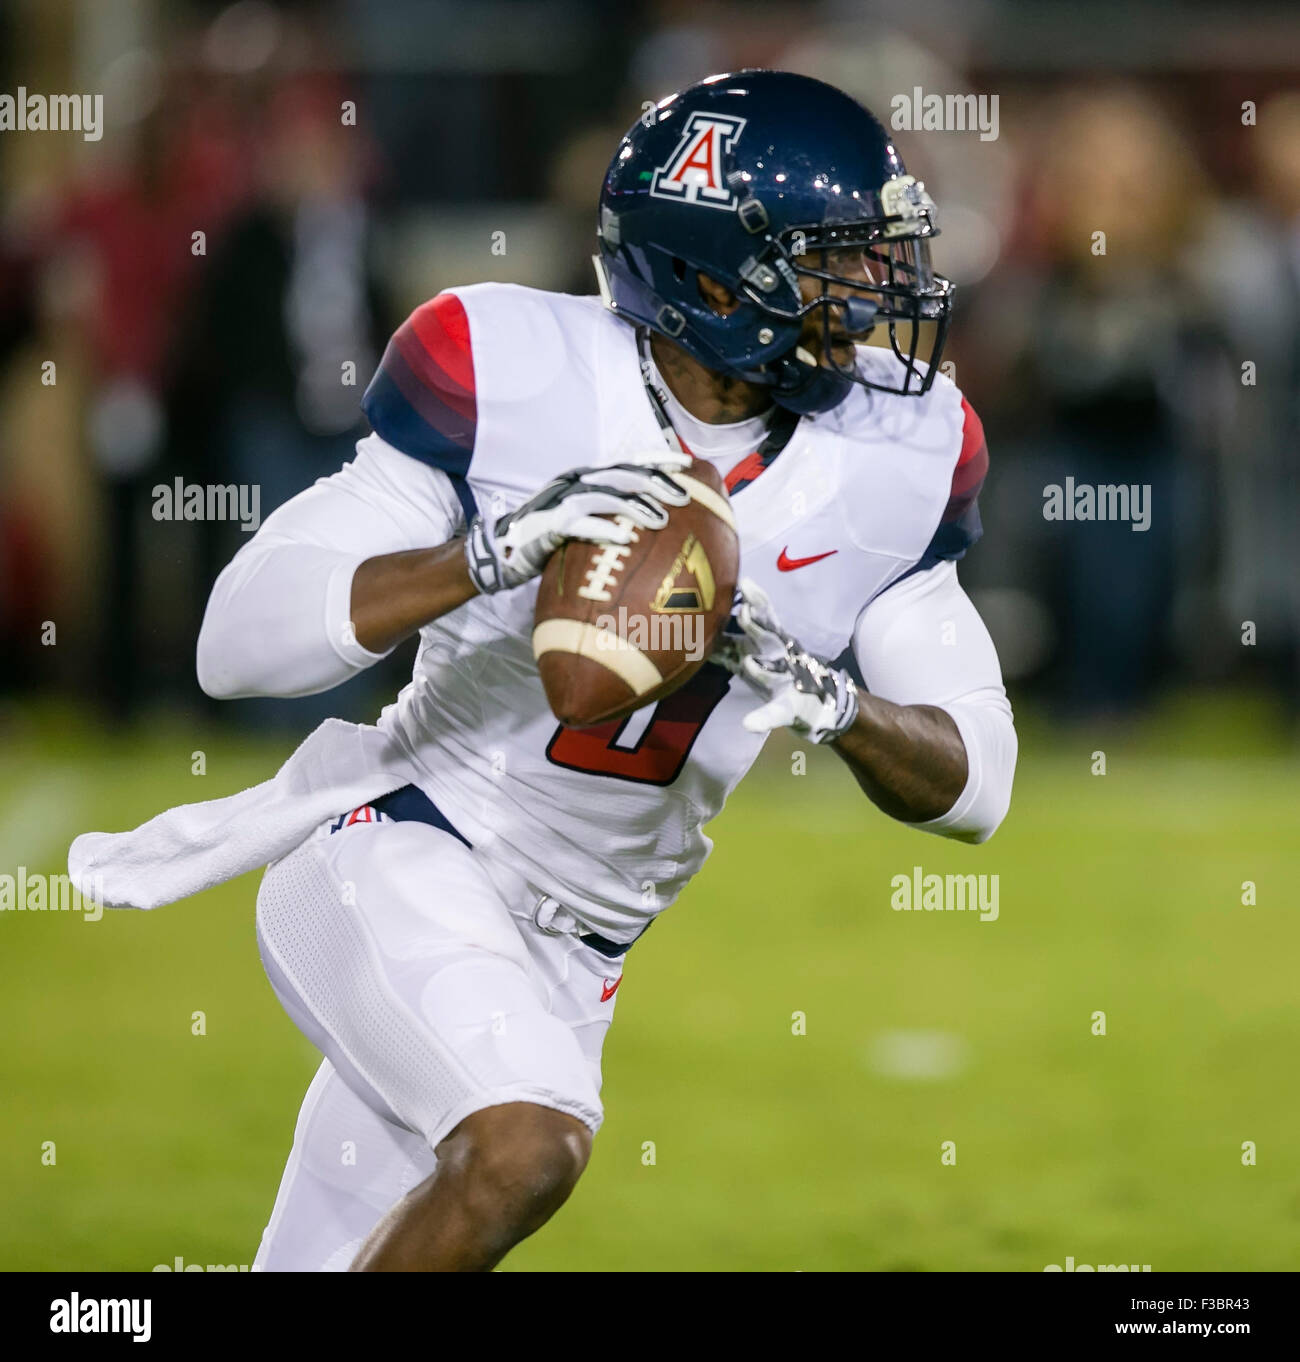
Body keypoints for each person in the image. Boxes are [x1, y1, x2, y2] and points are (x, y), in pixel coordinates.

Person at [69, 70, 1017, 1271]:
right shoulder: (513, 368)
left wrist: (831, 701)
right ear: (715, 278)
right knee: (523, 1148)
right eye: (834, 261)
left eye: (875, 256)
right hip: (402, 843)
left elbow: (978, 782)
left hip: (579, 951)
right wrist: (487, 553)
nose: (873, 291)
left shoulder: (902, 447)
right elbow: (233, 645)